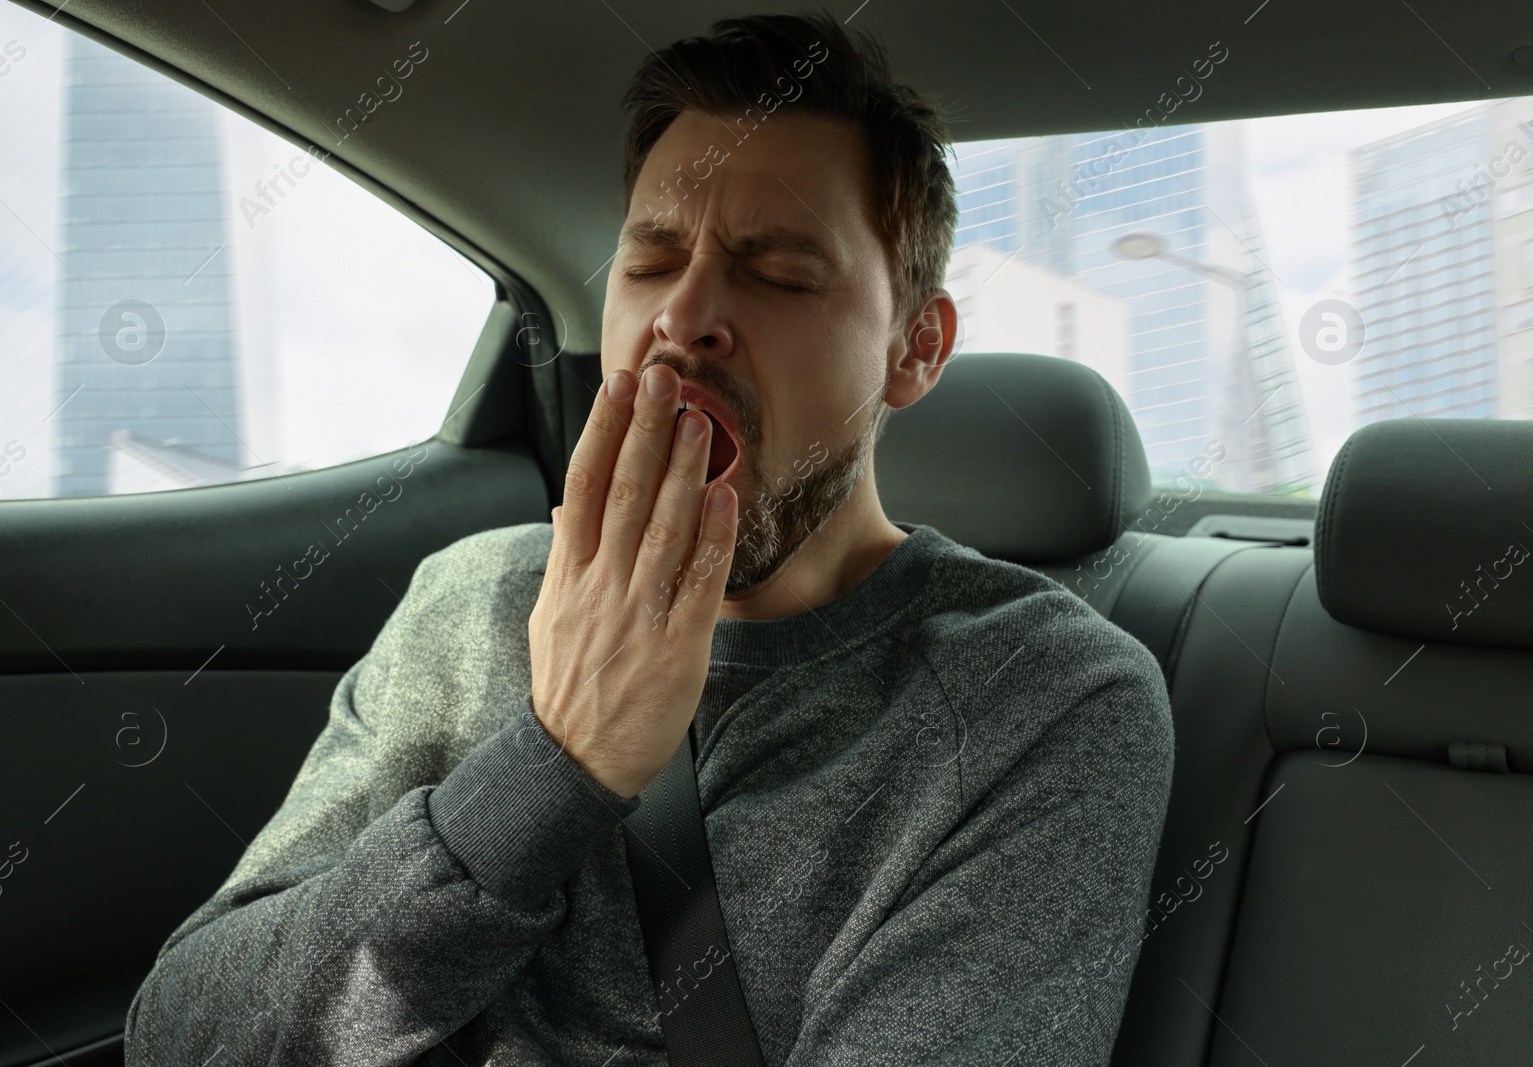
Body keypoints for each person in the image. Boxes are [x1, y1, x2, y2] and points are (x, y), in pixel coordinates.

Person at [125, 11, 1173, 1065]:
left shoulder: (1042, 698)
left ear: (914, 347)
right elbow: (182, 1037)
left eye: (777, 273)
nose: (685, 313)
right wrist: (550, 771)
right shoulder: (470, 600)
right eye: (651, 260)